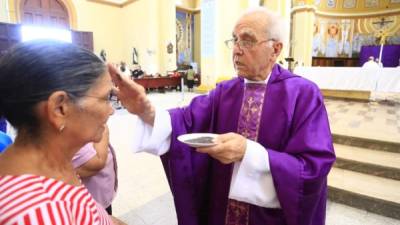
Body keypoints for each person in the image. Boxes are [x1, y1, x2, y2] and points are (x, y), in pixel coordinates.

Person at [111, 7, 335, 225]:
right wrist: (145, 110)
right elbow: (185, 121)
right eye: (234, 40)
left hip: (270, 217)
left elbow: (314, 165)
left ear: (275, 49)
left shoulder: (303, 94)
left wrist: (249, 153)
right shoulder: (224, 91)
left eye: (247, 40)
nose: (237, 49)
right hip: (222, 210)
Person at [0, 40, 125, 225]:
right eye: (106, 98)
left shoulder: (54, 164)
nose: (111, 110)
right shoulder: (40, 212)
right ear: (60, 108)